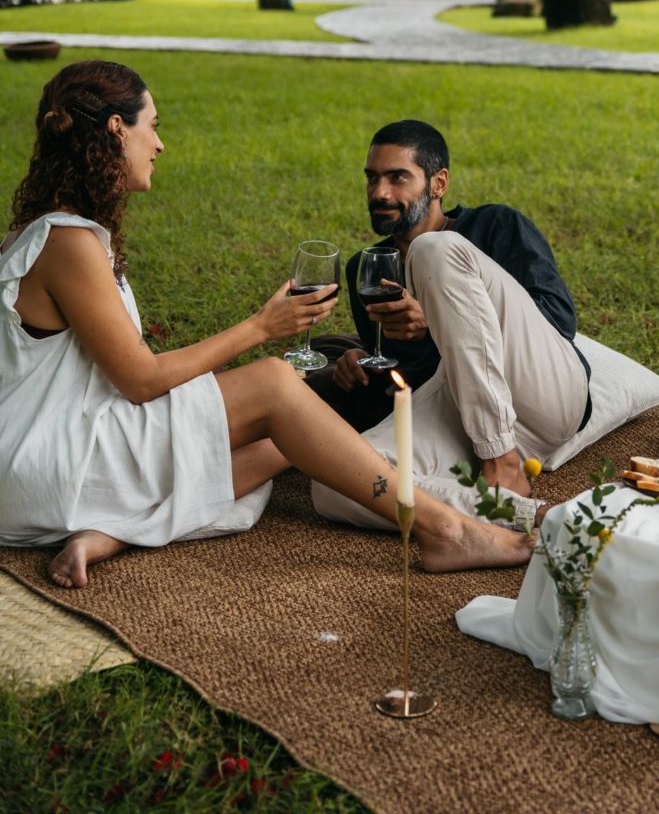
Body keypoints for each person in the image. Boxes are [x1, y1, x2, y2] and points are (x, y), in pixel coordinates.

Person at [0, 62, 533, 588]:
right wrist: (261, 326)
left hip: (62, 438)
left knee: (300, 436)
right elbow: (139, 380)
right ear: (118, 130)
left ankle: (115, 530)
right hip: (45, 457)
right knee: (277, 385)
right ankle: (443, 527)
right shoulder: (67, 242)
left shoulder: (55, 232)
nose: (158, 144)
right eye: (153, 125)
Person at [309, 120, 591, 530]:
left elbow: (557, 320)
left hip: (538, 393)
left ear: (438, 183)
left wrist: (435, 318)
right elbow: (407, 381)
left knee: (432, 250)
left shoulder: (496, 225)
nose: (380, 193)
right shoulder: (367, 269)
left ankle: (502, 462)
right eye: (372, 178)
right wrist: (364, 363)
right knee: (340, 482)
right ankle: (518, 513)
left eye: (397, 177)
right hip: (460, 413)